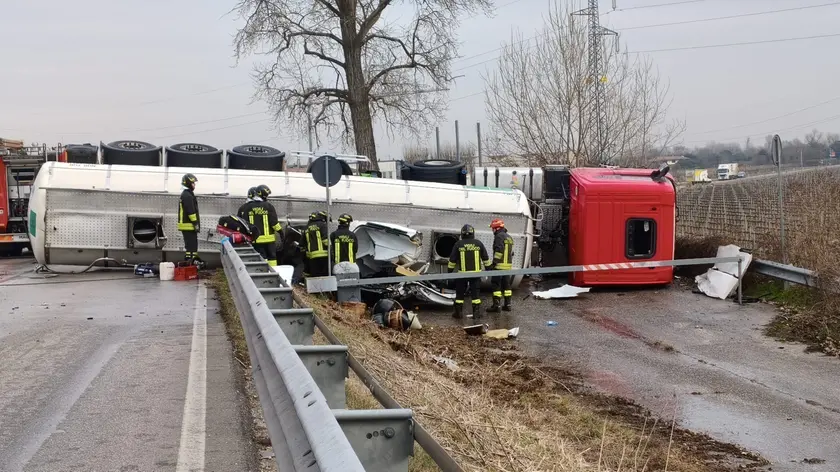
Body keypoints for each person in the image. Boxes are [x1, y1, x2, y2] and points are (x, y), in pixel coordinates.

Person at [447, 224, 492, 319]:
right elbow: (485, 258)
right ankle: (476, 313)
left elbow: (452, 260)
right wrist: (489, 270)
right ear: (473, 233)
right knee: (475, 294)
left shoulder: (458, 244)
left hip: (462, 275)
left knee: (460, 294)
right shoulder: (478, 243)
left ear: (462, 234)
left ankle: (458, 313)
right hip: (476, 274)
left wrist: (449, 272)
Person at [247, 184, 282, 266]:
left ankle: (263, 272)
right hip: (269, 241)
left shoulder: (248, 207)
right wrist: (281, 232)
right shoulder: (268, 206)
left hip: (256, 240)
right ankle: (273, 272)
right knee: (272, 258)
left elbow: (244, 223)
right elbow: (274, 223)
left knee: (261, 258)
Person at [487, 218, 514, 312]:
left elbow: (499, 250)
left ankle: (496, 306)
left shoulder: (499, 236)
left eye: (493, 228)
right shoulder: (509, 237)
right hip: (507, 267)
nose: (492, 230)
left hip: (499, 266)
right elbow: (511, 253)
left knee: (496, 285)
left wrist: (494, 263)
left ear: (497, 228)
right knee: (507, 286)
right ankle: (508, 305)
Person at [177, 173, 203, 265]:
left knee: (190, 247)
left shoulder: (187, 194)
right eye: (193, 183)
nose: (194, 185)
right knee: (192, 247)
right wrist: (195, 223)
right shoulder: (187, 195)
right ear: (188, 183)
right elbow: (191, 211)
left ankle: (191, 262)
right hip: (188, 225)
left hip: (187, 225)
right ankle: (191, 263)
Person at [304, 210, 330, 277]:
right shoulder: (322, 225)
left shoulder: (307, 227)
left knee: (315, 276)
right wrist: (332, 249)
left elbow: (303, 243)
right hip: (323, 256)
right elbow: (326, 241)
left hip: (312, 257)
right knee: (324, 276)